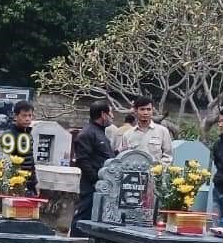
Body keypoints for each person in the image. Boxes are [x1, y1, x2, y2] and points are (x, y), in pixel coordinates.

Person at [72, 100, 115, 235]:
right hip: (92, 185)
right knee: (84, 214)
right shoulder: (87, 133)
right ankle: (75, 242)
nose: (112, 116)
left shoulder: (100, 133)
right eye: (110, 113)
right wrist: (95, 180)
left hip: (104, 184)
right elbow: (83, 161)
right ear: (103, 114)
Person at [119, 96, 173, 164]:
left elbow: (168, 157)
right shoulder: (127, 135)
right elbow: (123, 157)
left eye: (149, 109)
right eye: (142, 109)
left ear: (152, 110)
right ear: (135, 111)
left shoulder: (162, 131)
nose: (145, 113)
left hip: (156, 170)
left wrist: (158, 168)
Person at [7, 100, 39, 196]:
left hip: (28, 184)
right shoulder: (10, 135)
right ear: (15, 116)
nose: (28, 119)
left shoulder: (28, 134)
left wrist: (34, 183)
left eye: (30, 115)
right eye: (24, 116)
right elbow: (6, 163)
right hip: (14, 185)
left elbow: (30, 161)